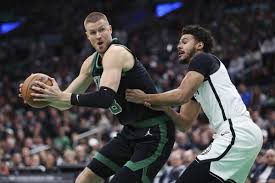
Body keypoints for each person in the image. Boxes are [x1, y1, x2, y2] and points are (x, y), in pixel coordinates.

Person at [19, 12, 175, 183]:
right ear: (87, 36)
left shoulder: (116, 53)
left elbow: (105, 98)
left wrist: (63, 97)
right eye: (93, 32)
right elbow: (64, 103)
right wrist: (43, 94)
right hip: (130, 131)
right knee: (84, 180)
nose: (98, 36)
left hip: (155, 132)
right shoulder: (90, 63)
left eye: (102, 30)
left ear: (110, 30)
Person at [126, 25, 263, 183]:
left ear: (199, 45)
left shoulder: (202, 58)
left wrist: (145, 97)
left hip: (236, 132)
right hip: (243, 135)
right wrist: (165, 107)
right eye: (179, 43)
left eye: (184, 41)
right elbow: (184, 123)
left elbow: (181, 94)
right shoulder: (197, 81)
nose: (179, 46)